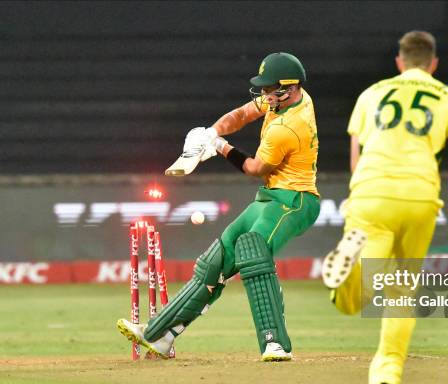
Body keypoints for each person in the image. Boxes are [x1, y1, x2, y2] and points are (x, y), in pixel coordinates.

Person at [322, 31, 448, 384]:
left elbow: (355, 159)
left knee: (351, 301)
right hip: (420, 196)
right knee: (400, 293)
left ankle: (350, 271)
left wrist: (357, 196)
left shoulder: (371, 94)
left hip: (372, 193)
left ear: (399, 61)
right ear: (433, 64)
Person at [118, 52, 320, 362]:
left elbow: (255, 168)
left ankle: (275, 343)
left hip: (297, 201)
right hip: (270, 197)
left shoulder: (290, 127)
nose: (265, 96)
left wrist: (222, 148)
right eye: (263, 89)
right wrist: (212, 133)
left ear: (290, 89)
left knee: (253, 249)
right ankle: (159, 335)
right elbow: (240, 114)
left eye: (270, 90)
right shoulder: (281, 99)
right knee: (217, 260)